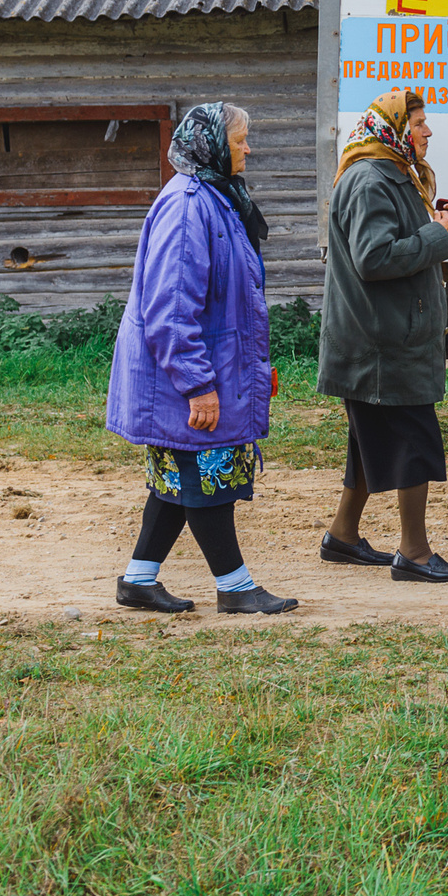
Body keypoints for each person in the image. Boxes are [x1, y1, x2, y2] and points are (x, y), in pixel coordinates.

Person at [105, 103, 296, 615]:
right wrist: (196, 383)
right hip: (187, 372)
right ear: (211, 143)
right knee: (204, 477)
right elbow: (169, 305)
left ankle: (138, 580)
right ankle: (235, 588)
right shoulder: (190, 206)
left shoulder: (216, 197)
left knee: (176, 478)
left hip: (209, 363)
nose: (248, 150)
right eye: (240, 141)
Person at [318, 89, 448, 582]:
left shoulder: (401, 173)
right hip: (379, 342)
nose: (428, 132)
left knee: (370, 443)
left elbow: (417, 239)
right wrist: (438, 233)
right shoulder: (369, 180)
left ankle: (342, 537)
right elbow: (376, 258)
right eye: (420, 123)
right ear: (394, 129)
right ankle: (415, 552)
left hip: (389, 336)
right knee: (413, 442)